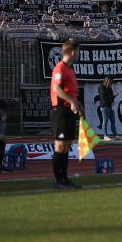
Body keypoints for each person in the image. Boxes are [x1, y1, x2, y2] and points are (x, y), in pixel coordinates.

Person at [50, 40, 82, 189]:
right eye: (79, 51)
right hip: (61, 111)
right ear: (73, 51)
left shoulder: (70, 70)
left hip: (69, 111)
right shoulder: (60, 68)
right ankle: (59, 180)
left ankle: (64, 178)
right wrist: (72, 102)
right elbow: (57, 89)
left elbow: (72, 93)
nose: (79, 54)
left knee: (66, 145)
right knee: (60, 145)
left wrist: (78, 106)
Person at [98, 76, 117, 141]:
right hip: (104, 106)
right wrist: (111, 101)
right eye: (111, 81)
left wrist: (114, 96)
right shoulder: (101, 87)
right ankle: (105, 136)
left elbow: (111, 97)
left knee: (113, 121)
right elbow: (103, 98)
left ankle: (116, 135)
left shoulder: (109, 88)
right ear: (107, 80)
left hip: (110, 107)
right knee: (105, 121)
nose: (111, 83)